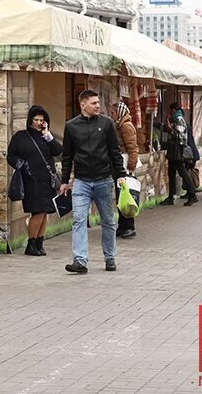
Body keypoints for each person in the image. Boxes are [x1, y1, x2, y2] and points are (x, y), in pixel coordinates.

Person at [60, 90, 126, 273]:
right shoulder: (71, 126)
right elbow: (67, 156)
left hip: (103, 179)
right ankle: (80, 261)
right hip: (81, 181)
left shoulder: (107, 124)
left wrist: (120, 174)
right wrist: (65, 180)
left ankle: (110, 257)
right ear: (83, 105)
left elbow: (115, 152)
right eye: (94, 103)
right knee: (79, 219)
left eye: (98, 103)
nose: (98, 106)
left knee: (108, 220)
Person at [7, 105, 63, 256]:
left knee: (45, 212)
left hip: (47, 181)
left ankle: (39, 242)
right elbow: (11, 156)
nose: (39, 123)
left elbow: (58, 151)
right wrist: (22, 165)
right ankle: (31, 244)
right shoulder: (20, 136)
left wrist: (48, 135)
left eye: (41, 120)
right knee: (37, 212)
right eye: (36, 120)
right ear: (30, 120)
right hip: (31, 180)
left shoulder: (46, 137)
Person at [110, 101, 139, 238]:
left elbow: (132, 147)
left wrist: (131, 167)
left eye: (113, 113)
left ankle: (129, 225)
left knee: (127, 195)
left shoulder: (126, 126)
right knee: (121, 195)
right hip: (121, 163)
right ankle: (123, 225)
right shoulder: (120, 125)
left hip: (126, 164)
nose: (112, 115)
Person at [161, 102, 198, 206]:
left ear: (173, 110)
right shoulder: (174, 119)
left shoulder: (179, 119)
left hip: (178, 150)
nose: (169, 112)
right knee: (171, 173)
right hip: (173, 149)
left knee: (182, 172)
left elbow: (181, 136)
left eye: (170, 110)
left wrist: (170, 129)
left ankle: (192, 194)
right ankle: (171, 196)